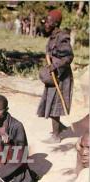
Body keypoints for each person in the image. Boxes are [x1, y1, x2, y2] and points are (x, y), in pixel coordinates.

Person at [37, 9, 74, 143]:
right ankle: (60, 128)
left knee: (55, 104)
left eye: (49, 21)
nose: (46, 23)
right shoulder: (53, 36)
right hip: (54, 75)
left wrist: (55, 66)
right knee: (52, 101)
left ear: (56, 23)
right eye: (46, 20)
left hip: (61, 76)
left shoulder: (62, 37)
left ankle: (56, 136)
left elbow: (69, 56)